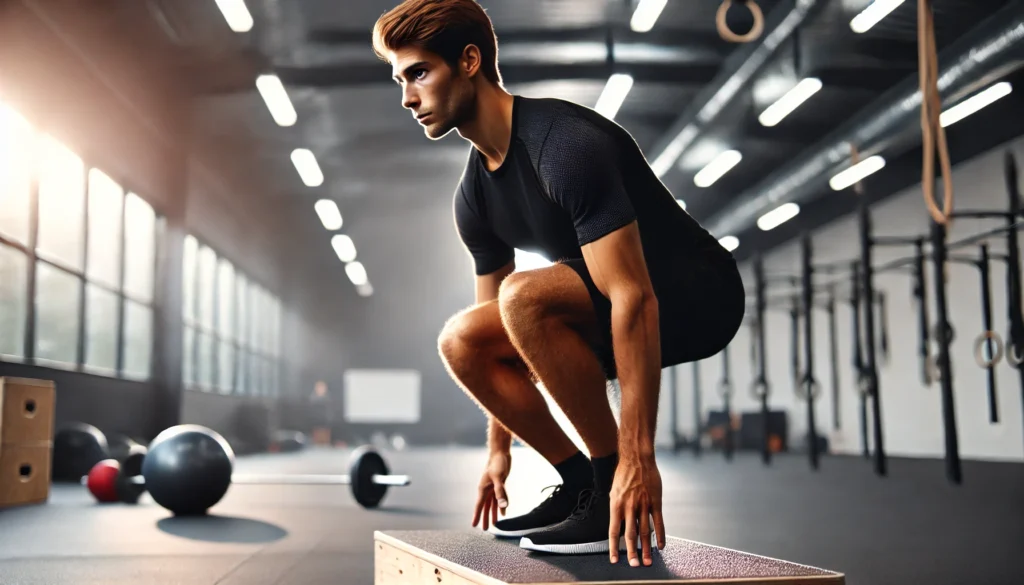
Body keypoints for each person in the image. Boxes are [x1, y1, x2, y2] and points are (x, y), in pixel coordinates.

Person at [372, 0, 745, 568]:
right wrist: (499, 453)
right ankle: (580, 484)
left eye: (419, 73)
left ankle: (609, 472)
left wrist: (638, 460)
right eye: (400, 79)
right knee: (462, 339)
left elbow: (633, 295)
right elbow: (494, 340)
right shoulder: (473, 197)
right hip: (608, 297)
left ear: (469, 60)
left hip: (696, 293)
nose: (406, 96)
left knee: (524, 296)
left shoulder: (563, 144)